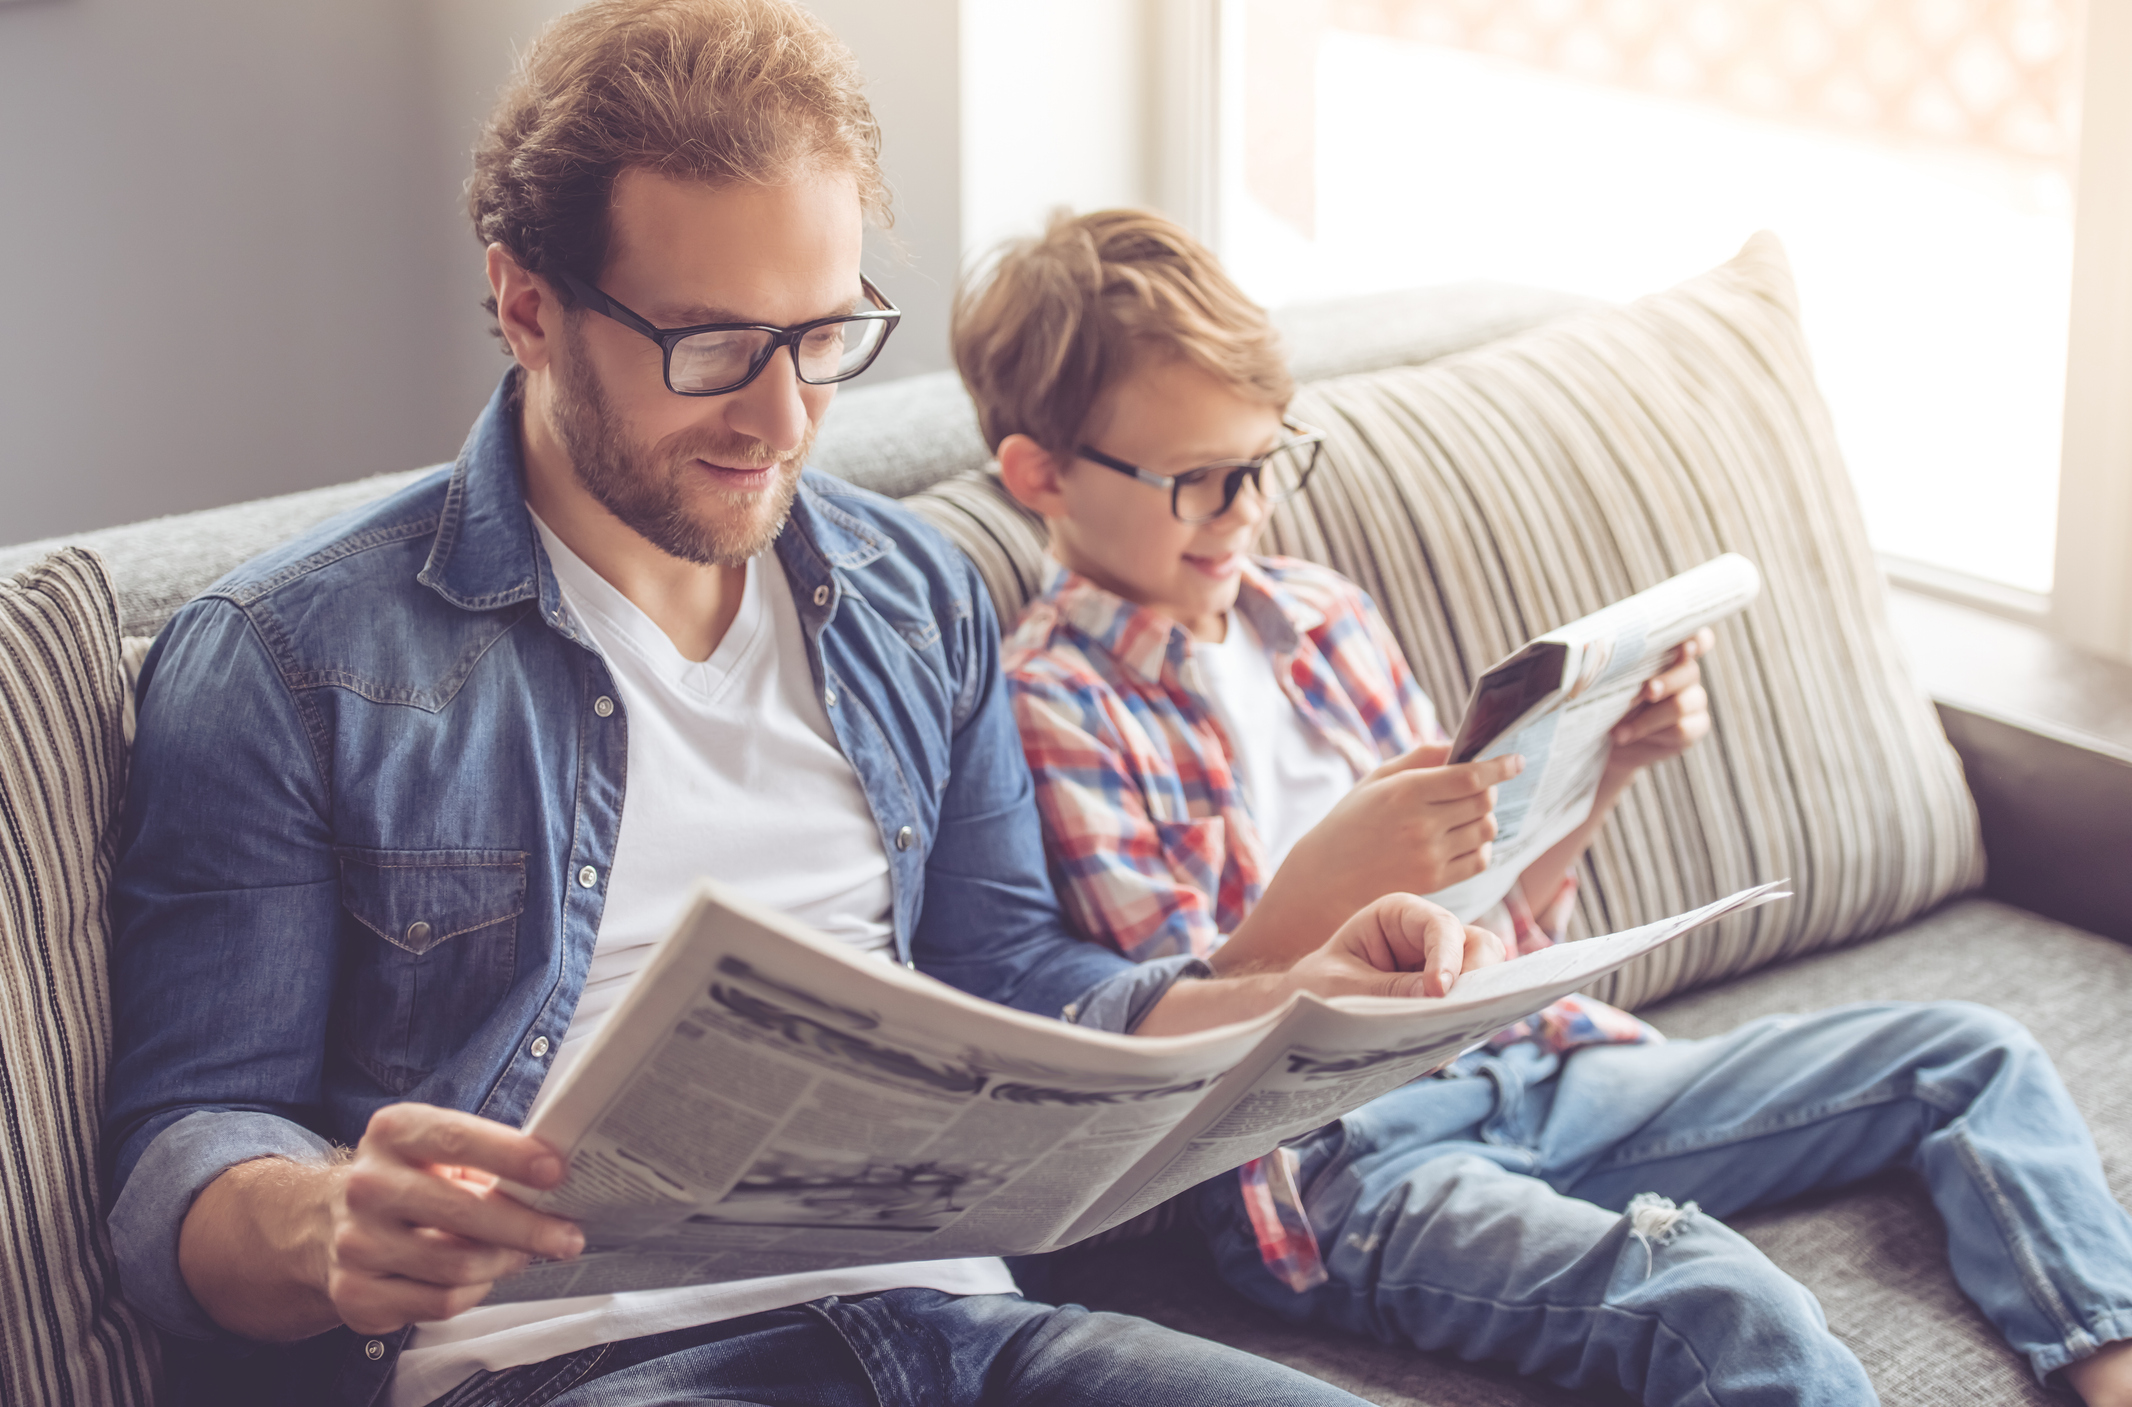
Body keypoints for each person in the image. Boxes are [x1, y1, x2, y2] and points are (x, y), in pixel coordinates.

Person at [99, 8, 1508, 1406]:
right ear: (528, 303)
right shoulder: (291, 658)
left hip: (958, 1327)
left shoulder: (918, 597)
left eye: (822, 336)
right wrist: (323, 1215)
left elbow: (1016, 986)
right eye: (710, 344)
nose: (780, 421)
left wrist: (1286, 998)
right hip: (560, 1362)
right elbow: (185, 1147)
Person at [960, 206, 2132, 1407]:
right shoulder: (1049, 710)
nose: (1245, 508)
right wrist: (1323, 892)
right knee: (1724, 1303)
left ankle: (2108, 1364)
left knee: (1969, 1053)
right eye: (1197, 481)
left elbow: (1488, 910)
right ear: (1040, 474)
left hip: (1536, 1064)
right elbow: (1171, 1052)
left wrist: (1604, 770)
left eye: (1263, 461)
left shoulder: (1318, 614)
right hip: (1345, 1164)